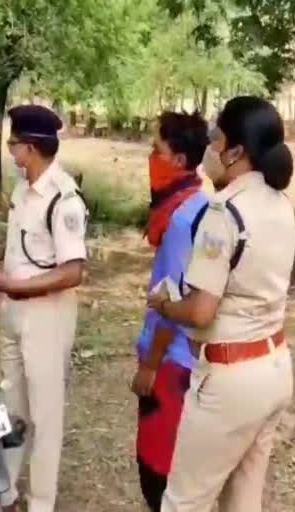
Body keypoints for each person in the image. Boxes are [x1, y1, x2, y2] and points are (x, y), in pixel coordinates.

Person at [148, 96, 295, 512]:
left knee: (183, 502)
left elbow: (199, 311)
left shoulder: (225, 212)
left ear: (235, 151)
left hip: (230, 379)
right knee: (243, 502)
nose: (209, 152)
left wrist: (164, 305)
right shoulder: (281, 205)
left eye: (216, 140)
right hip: (273, 367)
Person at [0, 105, 87, 512]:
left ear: (30, 148)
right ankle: (4, 492)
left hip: (47, 318)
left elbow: (73, 271)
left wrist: (19, 284)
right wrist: (1, 265)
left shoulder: (64, 199)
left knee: (44, 416)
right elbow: (27, 252)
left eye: (13, 144)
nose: (9, 151)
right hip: (14, 312)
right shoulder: (24, 190)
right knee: (11, 407)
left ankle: (41, 503)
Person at [132, 112, 209, 511]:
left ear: (178, 160)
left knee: (156, 475)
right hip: (190, 363)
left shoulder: (180, 219)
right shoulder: (201, 203)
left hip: (171, 364)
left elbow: (173, 301)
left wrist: (149, 364)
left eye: (156, 149)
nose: (150, 156)